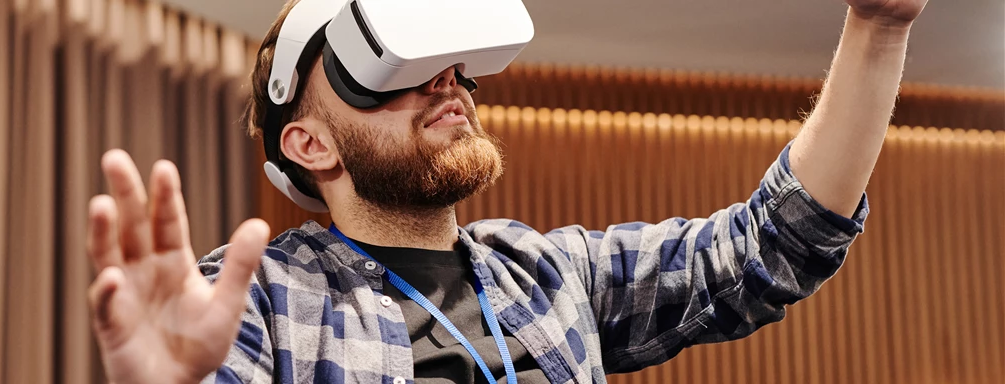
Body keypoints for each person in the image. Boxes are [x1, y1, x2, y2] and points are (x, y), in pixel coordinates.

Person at [83, 0, 926, 382]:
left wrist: (878, 27)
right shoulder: (260, 298)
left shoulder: (553, 273)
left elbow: (770, 246)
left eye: (453, 72)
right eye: (396, 79)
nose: (448, 86)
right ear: (309, 144)